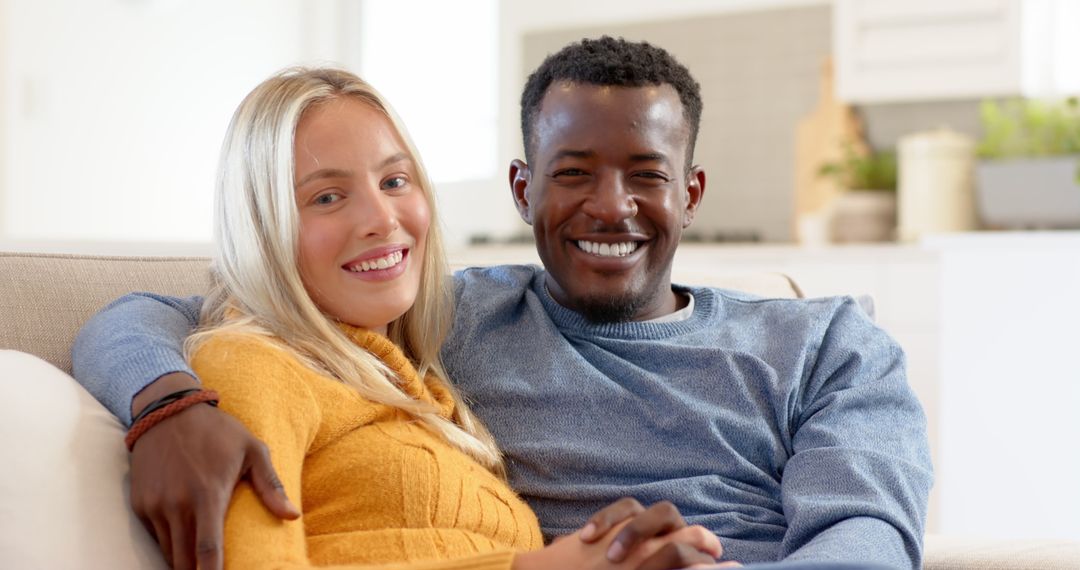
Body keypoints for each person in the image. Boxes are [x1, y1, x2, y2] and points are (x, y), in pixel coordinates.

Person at [74, 37, 932, 569]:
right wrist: (167, 402)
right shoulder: (441, 321)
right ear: (522, 190)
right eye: (572, 175)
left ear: (693, 191)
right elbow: (169, 314)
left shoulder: (828, 343)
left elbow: (868, 539)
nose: (610, 207)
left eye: (647, 176)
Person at [109, 65, 725, 570]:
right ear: (264, 227)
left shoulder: (424, 376)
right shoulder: (253, 363)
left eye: (395, 180)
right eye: (327, 196)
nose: (382, 218)